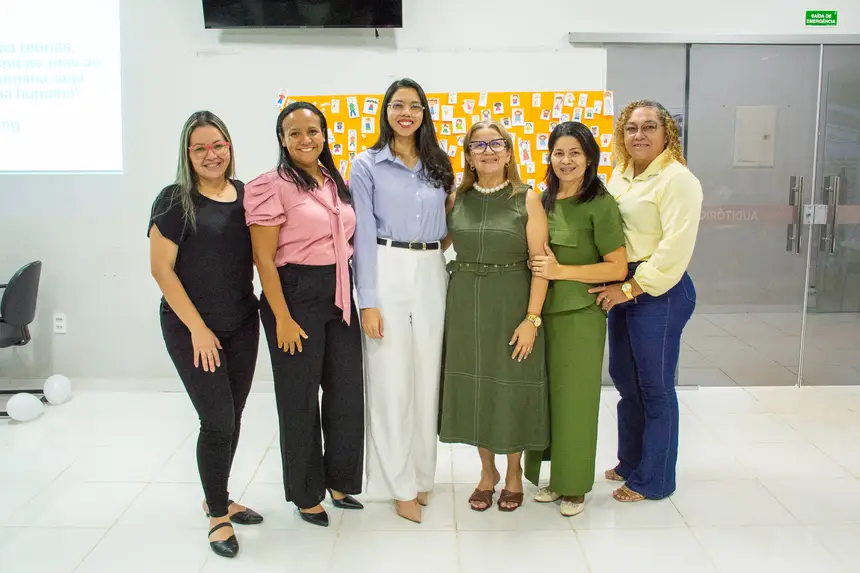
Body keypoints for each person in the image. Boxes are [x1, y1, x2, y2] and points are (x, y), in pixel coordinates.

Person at [148, 111, 263, 559]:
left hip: (242, 322)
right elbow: (162, 270)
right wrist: (197, 329)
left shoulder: (247, 195)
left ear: (229, 146)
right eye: (200, 148)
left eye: (218, 145)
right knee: (216, 420)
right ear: (188, 154)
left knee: (233, 415)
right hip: (191, 328)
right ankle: (217, 515)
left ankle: (219, 495)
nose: (211, 155)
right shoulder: (174, 200)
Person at [244, 101, 364, 528]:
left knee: (346, 393)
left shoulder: (333, 180)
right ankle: (306, 493)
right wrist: (282, 318)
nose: (305, 139)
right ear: (282, 139)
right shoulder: (270, 186)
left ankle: (340, 481)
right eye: (294, 133)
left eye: (312, 131)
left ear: (324, 135)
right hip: (294, 294)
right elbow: (263, 258)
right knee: (299, 399)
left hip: (340, 291)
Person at [350, 78, 454, 524]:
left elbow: (447, 224)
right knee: (390, 380)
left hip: (432, 268)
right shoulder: (366, 165)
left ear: (424, 113)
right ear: (386, 112)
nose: (406, 113)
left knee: (427, 377)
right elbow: (362, 236)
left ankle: (422, 475)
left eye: (414, 106)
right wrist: (368, 301)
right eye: (398, 105)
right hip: (386, 265)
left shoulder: (439, 165)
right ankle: (398, 485)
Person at [589, 99, 702, 502]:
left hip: (660, 290)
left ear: (666, 132)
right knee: (625, 379)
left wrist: (631, 289)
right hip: (623, 284)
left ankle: (654, 479)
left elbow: (675, 248)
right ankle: (631, 461)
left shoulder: (677, 179)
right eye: (631, 128)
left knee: (655, 387)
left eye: (649, 126)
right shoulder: (622, 174)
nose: (639, 135)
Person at [439, 120, 550, 513]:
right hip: (466, 303)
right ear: (468, 156)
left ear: (508, 152)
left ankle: (514, 473)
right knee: (478, 388)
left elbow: (541, 263)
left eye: (496, 143)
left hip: (512, 301)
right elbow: (434, 245)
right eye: (478, 145)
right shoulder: (456, 199)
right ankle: (488, 473)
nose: (488, 151)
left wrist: (532, 319)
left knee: (511, 385)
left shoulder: (527, 198)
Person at [523, 122, 627, 517]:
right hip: (542, 315)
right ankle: (556, 478)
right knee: (548, 400)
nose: (565, 161)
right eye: (559, 153)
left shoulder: (600, 203)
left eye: (575, 153)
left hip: (580, 317)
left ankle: (575, 486)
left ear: (589, 158)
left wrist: (561, 271)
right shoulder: (544, 201)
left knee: (576, 401)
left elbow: (616, 267)